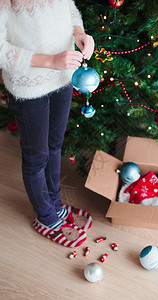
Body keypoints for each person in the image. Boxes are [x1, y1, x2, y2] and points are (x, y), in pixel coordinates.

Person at [0, 0, 94, 247]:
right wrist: (50, 61)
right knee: (36, 155)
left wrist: (80, 33)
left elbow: (69, 10)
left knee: (55, 145)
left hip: (61, 78)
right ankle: (46, 217)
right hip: (28, 87)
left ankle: (55, 205)